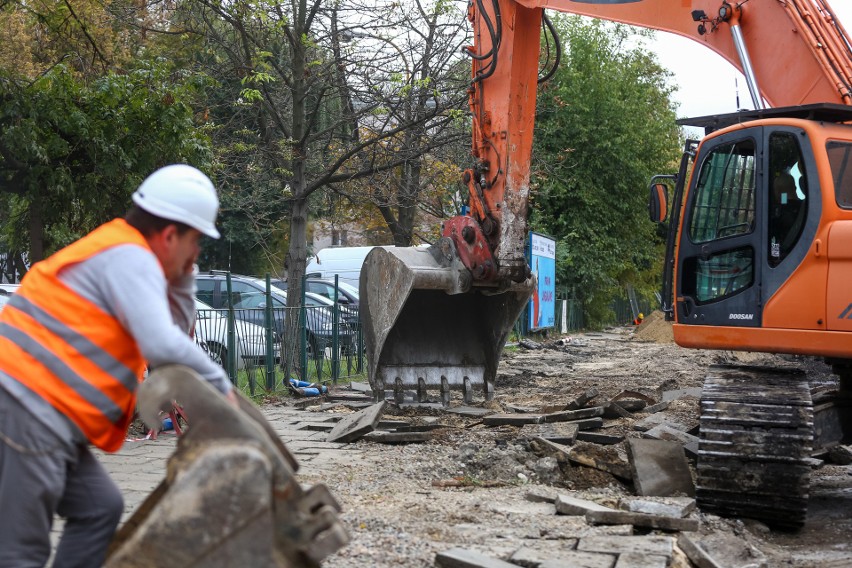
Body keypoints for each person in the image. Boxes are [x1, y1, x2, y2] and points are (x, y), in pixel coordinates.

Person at [0, 164, 236, 568]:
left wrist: (182, 281)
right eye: (195, 240)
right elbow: (162, 342)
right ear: (168, 235)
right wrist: (222, 389)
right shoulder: (128, 255)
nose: (197, 252)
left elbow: (173, 335)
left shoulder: (132, 255)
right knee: (20, 552)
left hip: (47, 410)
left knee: (99, 507)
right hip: (26, 403)